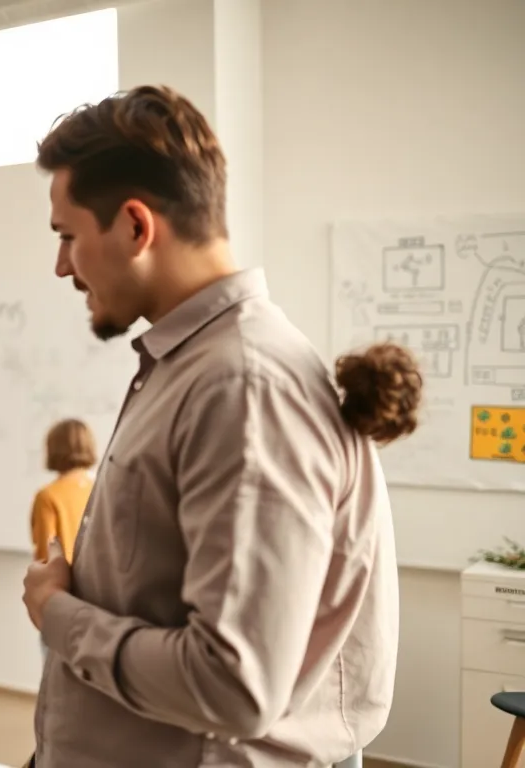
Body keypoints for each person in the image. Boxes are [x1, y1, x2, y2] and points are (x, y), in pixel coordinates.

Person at [21, 85, 422, 767]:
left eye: (68, 236)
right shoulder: (196, 367)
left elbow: (233, 683)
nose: (62, 265)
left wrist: (57, 613)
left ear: (136, 227)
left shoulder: (243, 388)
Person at [30, 419, 96, 564]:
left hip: (61, 583)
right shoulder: (99, 490)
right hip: (95, 581)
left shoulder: (48, 496)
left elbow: (45, 555)